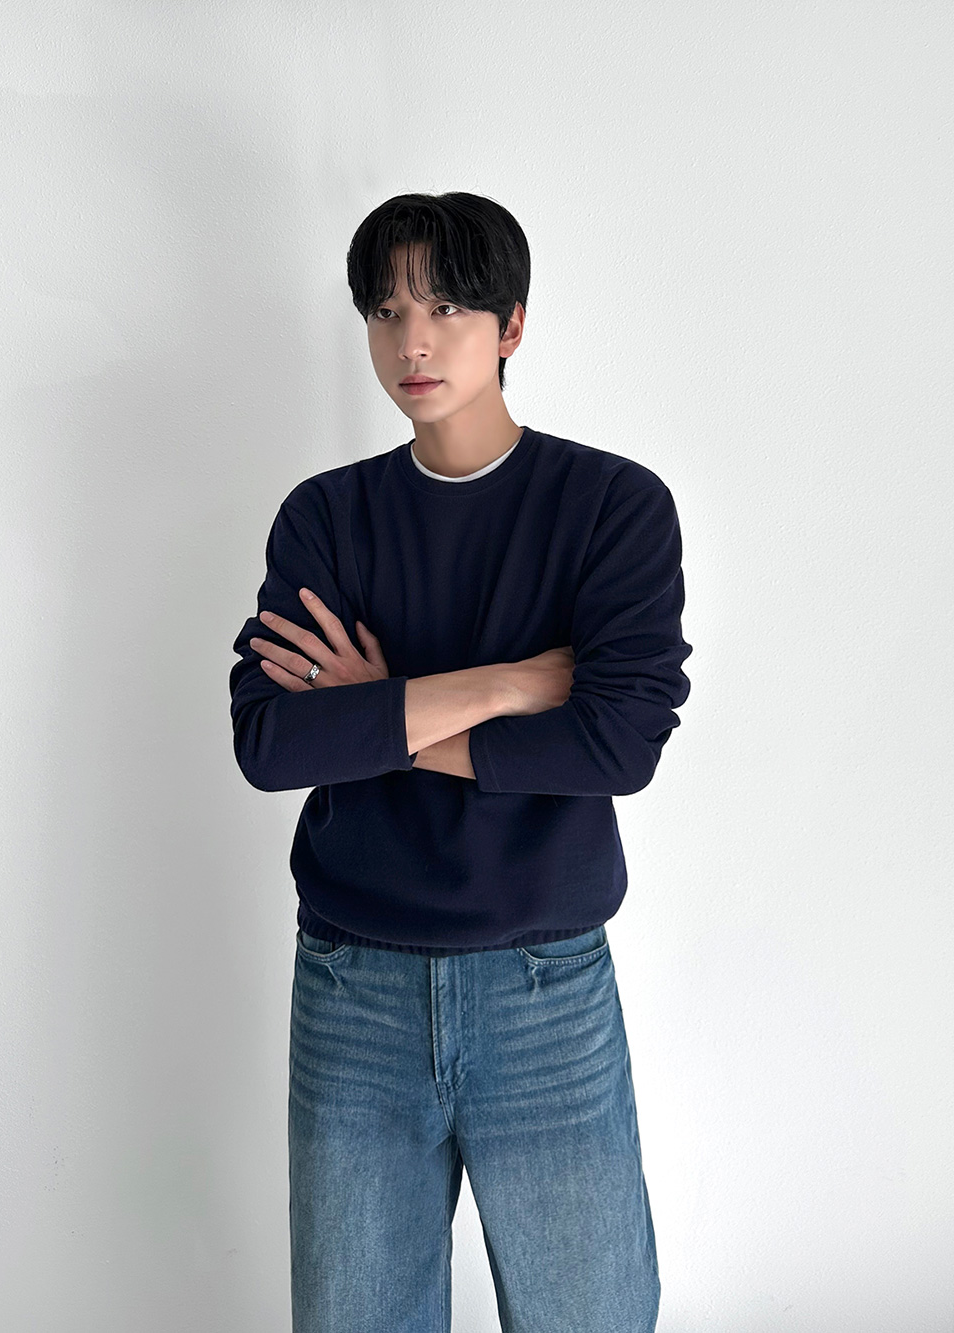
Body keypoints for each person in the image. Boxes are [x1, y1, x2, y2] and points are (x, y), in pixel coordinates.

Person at [229, 191, 692, 1332]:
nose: (413, 342)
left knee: (593, 1314)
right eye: (386, 313)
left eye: (444, 307)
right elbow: (272, 741)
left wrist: (377, 713)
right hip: (354, 989)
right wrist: (511, 683)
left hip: (544, 988)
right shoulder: (327, 516)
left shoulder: (613, 507)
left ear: (511, 325)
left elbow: (617, 742)